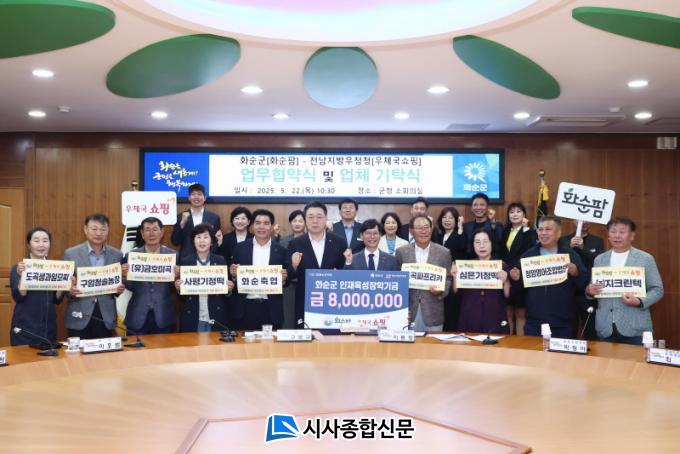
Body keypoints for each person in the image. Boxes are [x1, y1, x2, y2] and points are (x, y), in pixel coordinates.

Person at [585, 217, 664, 345]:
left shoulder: (645, 258)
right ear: (608, 235)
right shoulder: (599, 259)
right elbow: (592, 288)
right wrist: (589, 291)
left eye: (622, 232)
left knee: (637, 359)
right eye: (613, 232)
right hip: (605, 327)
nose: (617, 235)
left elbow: (657, 289)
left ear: (632, 235)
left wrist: (639, 301)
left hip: (635, 327)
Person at [509, 216, 588, 339]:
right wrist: (516, 279)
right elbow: (518, 292)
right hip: (534, 323)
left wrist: (576, 273)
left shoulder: (570, 255)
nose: (543, 233)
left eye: (548, 229)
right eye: (540, 229)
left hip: (563, 324)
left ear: (559, 233)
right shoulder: (528, 256)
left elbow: (583, 286)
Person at [63, 214, 125, 339]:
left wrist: (119, 289)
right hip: (79, 314)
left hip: (105, 315)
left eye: (103, 229)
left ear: (108, 230)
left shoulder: (117, 255)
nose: (98, 233)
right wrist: (70, 290)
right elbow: (65, 285)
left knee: (104, 351)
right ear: (85, 229)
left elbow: (117, 283)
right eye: (94, 229)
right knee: (79, 351)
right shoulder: (71, 254)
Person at [288, 201, 349, 326]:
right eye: (310, 217)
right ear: (305, 220)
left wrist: (348, 262)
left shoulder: (339, 242)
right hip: (305, 300)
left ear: (326, 218)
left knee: (331, 335)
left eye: (319, 217)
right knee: (304, 335)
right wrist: (294, 266)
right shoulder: (295, 243)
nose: (315, 221)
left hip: (332, 300)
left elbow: (344, 272)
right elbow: (289, 276)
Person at [230, 209, 289, 330]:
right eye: (258, 223)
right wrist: (233, 275)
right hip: (246, 307)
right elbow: (233, 278)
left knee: (270, 342)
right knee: (244, 342)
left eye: (266, 223)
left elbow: (287, 280)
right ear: (252, 226)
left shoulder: (281, 250)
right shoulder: (240, 248)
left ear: (272, 226)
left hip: (271, 309)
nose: (261, 227)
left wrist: (284, 278)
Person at [395, 214, 452, 332]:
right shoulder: (401, 252)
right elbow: (396, 279)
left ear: (431, 229)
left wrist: (441, 290)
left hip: (433, 311)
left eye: (426, 227)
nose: (424, 231)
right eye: (419, 228)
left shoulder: (444, 252)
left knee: (433, 344)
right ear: (412, 231)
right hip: (408, 312)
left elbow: (448, 278)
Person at [121, 217, 178, 335]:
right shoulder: (131, 256)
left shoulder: (173, 255)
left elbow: (174, 286)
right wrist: (125, 276)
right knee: (135, 347)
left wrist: (176, 277)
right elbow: (130, 286)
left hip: (163, 315)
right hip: (137, 315)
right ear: (142, 233)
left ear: (162, 232)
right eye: (147, 230)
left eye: (155, 229)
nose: (151, 233)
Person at [9, 228, 64, 346]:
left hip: (48, 327)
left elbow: (56, 299)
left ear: (50, 244)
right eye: (36, 241)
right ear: (29, 245)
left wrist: (65, 283)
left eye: (45, 241)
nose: (41, 245)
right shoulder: (18, 268)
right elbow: (19, 297)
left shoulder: (55, 268)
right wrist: (23, 276)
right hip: (25, 327)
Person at [450, 229, 510, 334]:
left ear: (492, 243)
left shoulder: (502, 265)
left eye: (485, 241)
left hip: (495, 317)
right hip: (470, 317)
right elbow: (456, 292)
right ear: (472, 245)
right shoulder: (466, 266)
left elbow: (508, 295)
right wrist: (455, 277)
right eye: (477, 242)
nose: (481, 246)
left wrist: (506, 281)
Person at [176, 223, 233, 332]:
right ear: (193, 241)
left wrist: (229, 289)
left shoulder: (220, 260)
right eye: (198, 237)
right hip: (193, 316)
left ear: (211, 242)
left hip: (216, 315)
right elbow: (183, 297)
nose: (202, 241)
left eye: (206, 237)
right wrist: (179, 288)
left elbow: (226, 292)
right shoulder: (186, 262)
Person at [559, 220, 605, 340]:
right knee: (569, 330)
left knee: (590, 330)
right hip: (568, 291)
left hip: (589, 291)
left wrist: (583, 248)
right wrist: (569, 248)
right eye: (580, 220)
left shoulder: (598, 241)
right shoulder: (563, 240)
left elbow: (599, 262)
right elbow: (558, 260)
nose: (584, 222)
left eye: (587, 220)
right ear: (573, 221)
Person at [500, 202, 537, 336]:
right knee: (507, 313)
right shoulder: (505, 231)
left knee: (520, 313)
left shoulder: (529, 232)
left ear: (524, 215)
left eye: (518, 211)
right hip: (506, 276)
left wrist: (526, 229)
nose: (515, 214)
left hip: (521, 277)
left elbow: (531, 251)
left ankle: (520, 343)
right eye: (512, 212)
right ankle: (508, 341)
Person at [435, 207, 467, 331]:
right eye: (444, 217)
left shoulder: (460, 234)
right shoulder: (438, 235)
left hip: (454, 278)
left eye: (450, 218)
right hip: (439, 278)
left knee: (452, 309)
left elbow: (462, 247)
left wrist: (460, 228)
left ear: (456, 220)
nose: (447, 220)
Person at [171, 183, 221, 259]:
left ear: (205, 198)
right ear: (189, 198)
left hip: (208, 258)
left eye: (199, 194)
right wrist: (182, 224)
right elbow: (175, 241)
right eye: (193, 194)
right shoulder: (180, 217)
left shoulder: (214, 218)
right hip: (186, 259)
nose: (196, 197)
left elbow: (216, 241)